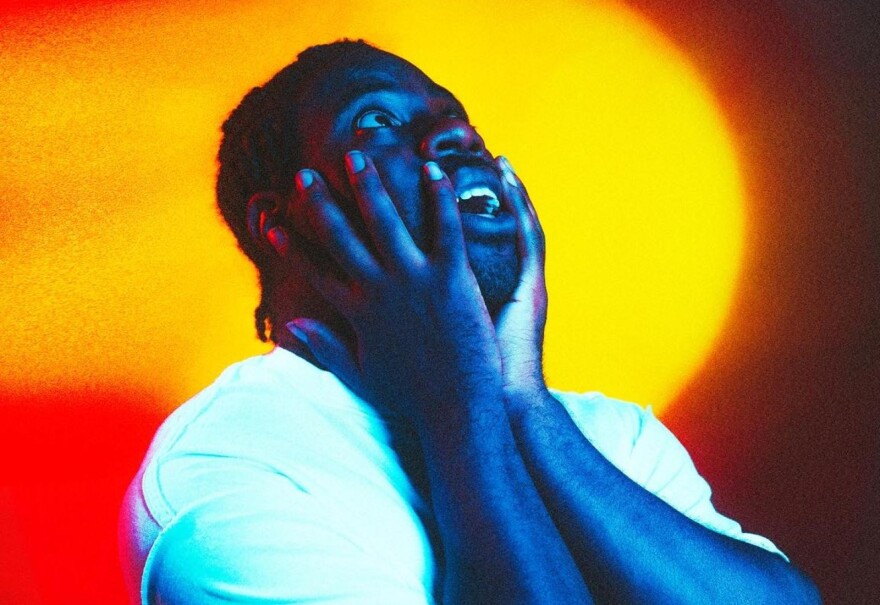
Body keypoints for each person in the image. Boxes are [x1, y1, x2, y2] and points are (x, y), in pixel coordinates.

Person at [119, 39, 820, 604]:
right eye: (378, 122)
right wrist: (458, 401)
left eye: (462, 122)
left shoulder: (611, 436)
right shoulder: (229, 474)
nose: (456, 136)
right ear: (280, 223)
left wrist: (521, 402)